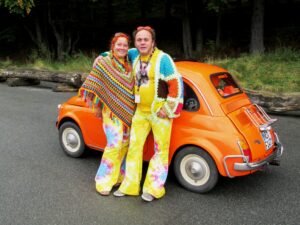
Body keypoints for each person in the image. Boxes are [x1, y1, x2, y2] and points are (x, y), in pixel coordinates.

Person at [110, 26, 184, 202]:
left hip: (159, 113)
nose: (142, 42)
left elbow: (176, 84)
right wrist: (103, 57)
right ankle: (130, 186)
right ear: (135, 43)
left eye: (146, 39)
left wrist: (168, 108)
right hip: (140, 112)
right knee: (134, 148)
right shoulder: (134, 55)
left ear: (153, 42)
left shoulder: (163, 59)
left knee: (160, 150)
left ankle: (153, 188)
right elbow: (117, 51)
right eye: (139, 40)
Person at [79, 32, 135, 196]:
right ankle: (103, 181)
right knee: (114, 145)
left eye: (125, 45)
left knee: (125, 145)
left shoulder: (129, 63)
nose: (122, 47)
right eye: (119, 44)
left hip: (127, 112)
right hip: (110, 112)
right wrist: (96, 105)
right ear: (113, 45)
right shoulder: (104, 62)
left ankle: (118, 177)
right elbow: (95, 83)